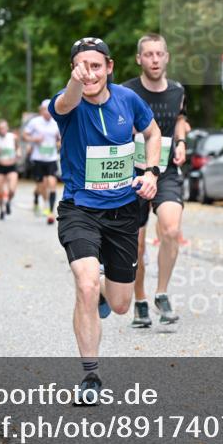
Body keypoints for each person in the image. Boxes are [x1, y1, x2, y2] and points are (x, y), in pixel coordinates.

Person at [50, 37, 161, 403]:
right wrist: (75, 83)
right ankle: (90, 376)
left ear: (110, 67)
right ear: (73, 70)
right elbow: (67, 101)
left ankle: (101, 290)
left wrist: (151, 171)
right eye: (82, 66)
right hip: (79, 209)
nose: (90, 72)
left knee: (120, 304)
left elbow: (152, 132)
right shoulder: (67, 103)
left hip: (123, 211)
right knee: (83, 283)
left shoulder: (129, 100)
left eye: (96, 66)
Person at [119, 33, 186, 327]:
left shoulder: (177, 90)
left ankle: (161, 294)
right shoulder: (125, 92)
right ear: (139, 59)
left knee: (171, 230)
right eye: (149, 54)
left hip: (166, 169)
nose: (155, 60)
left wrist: (182, 141)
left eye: (159, 54)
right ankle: (140, 300)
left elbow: (180, 119)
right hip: (133, 172)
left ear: (167, 57)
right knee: (137, 246)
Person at [21, 100, 62, 224]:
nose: (48, 112)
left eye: (50, 110)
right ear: (41, 110)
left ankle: (50, 210)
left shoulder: (56, 122)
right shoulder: (35, 122)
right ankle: (38, 199)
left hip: (51, 158)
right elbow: (24, 136)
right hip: (38, 158)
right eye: (45, 110)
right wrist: (34, 139)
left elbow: (60, 138)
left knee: (52, 183)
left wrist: (58, 144)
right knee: (42, 185)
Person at [0, 119, 20, 220]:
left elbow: (18, 148)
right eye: (0, 128)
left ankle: (8, 202)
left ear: (7, 128)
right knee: (0, 191)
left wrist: (18, 153)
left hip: (12, 166)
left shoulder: (13, 137)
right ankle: (1, 210)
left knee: (12, 190)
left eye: (4, 128)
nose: (2, 130)